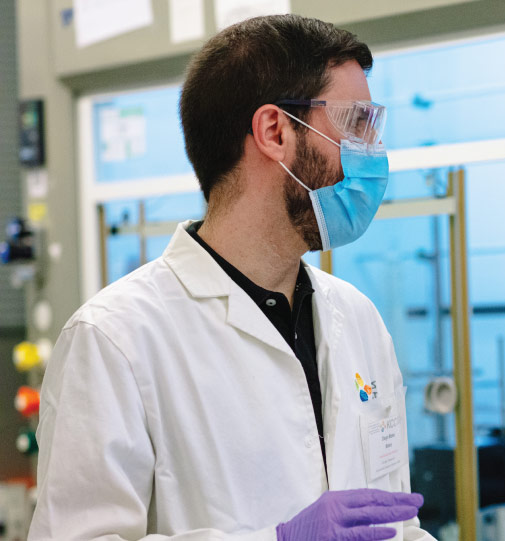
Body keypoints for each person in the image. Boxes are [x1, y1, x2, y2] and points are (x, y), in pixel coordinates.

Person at [29, 15, 432, 541]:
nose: (373, 153)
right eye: (357, 124)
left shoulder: (355, 317)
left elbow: (394, 523)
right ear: (274, 132)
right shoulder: (115, 339)